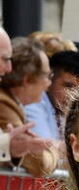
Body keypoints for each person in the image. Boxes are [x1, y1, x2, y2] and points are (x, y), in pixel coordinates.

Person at [0, 37, 59, 176]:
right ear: (27, 79)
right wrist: (55, 152)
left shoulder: (11, 102)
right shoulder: (4, 103)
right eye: (46, 76)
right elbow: (37, 164)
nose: (49, 83)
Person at [24, 49, 79, 139]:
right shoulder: (34, 103)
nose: (73, 95)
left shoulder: (64, 113)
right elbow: (46, 147)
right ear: (49, 80)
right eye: (68, 86)